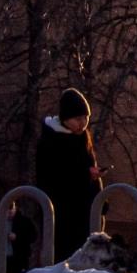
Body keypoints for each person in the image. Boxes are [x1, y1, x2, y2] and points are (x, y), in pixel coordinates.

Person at [34, 87, 102, 262]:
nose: (82, 123)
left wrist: (100, 196)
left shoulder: (82, 137)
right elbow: (51, 178)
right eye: (77, 119)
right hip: (62, 212)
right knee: (64, 259)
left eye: (85, 118)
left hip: (85, 210)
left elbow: (88, 168)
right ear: (65, 118)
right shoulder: (51, 141)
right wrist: (85, 176)